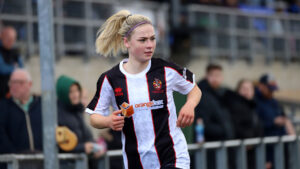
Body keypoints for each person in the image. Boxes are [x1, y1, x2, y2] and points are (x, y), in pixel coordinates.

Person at [86, 10, 202, 169]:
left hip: (173, 157)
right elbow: (94, 117)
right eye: (143, 40)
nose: (149, 45)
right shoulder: (110, 79)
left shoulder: (165, 69)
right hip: (136, 161)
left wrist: (189, 105)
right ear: (127, 42)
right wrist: (108, 121)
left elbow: (194, 89)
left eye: (152, 39)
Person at [56, 75, 105, 169]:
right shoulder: (58, 115)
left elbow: (86, 136)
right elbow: (60, 145)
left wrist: (94, 147)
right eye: (71, 91)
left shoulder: (77, 111)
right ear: (63, 93)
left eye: (77, 90)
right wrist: (83, 148)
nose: (75, 94)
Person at [0, 69, 43, 169]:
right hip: (14, 163)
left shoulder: (41, 105)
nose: (14, 86)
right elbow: (2, 137)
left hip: (41, 161)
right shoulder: (3, 107)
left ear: (30, 84)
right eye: (12, 82)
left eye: (19, 82)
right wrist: (17, 156)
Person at [194, 64, 234, 169]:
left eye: (218, 75)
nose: (215, 78)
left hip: (220, 146)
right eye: (213, 75)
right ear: (207, 76)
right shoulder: (202, 95)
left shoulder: (220, 94)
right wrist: (223, 130)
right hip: (210, 148)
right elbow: (202, 123)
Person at [255, 73, 295, 169]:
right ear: (261, 86)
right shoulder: (255, 102)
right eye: (269, 89)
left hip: (281, 147)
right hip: (266, 149)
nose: (271, 92)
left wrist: (286, 122)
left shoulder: (274, 102)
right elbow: (255, 125)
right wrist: (273, 122)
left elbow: (283, 117)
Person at [224, 79, 263, 169]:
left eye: (250, 88)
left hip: (252, 149)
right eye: (244, 88)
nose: (247, 91)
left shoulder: (253, 106)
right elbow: (235, 125)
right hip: (239, 150)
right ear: (238, 90)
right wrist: (248, 139)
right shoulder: (235, 105)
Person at [0, 26, 24, 99]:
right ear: (2, 37)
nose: (11, 41)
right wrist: (15, 68)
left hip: (11, 94)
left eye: (13, 39)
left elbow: (21, 70)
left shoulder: (15, 53)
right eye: (8, 39)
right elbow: (2, 69)